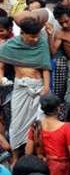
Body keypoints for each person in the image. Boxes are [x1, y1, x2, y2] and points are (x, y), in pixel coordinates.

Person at [0, 16, 51, 160]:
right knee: (16, 124)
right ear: (22, 33)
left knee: (38, 123)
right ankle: (16, 157)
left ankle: (37, 155)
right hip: (20, 88)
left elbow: (45, 67)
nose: (35, 39)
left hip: (39, 86)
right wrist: (2, 79)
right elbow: (1, 66)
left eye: (37, 36)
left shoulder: (41, 43)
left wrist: (46, 88)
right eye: (32, 36)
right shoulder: (10, 46)